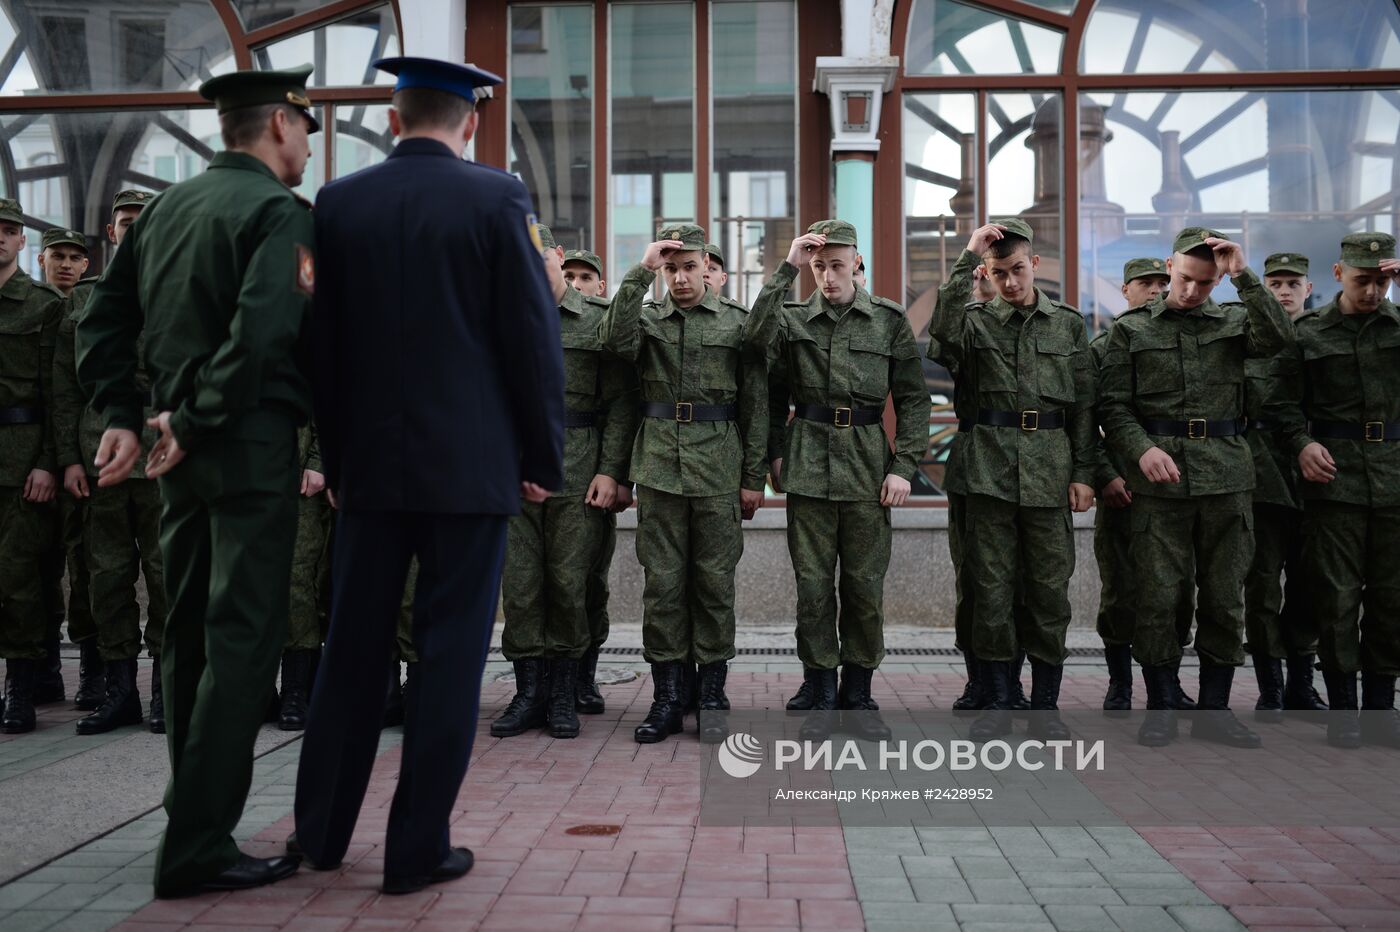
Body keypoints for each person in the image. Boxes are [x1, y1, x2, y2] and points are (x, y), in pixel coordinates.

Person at [291, 56, 564, 896]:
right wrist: (540, 458)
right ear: (471, 120)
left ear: (391, 113)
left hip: (369, 470)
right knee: (448, 659)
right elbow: (529, 335)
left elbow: (322, 350)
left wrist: (334, 461)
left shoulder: (338, 202)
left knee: (352, 651)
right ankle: (416, 851)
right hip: (470, 470)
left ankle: (322, 837)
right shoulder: (496, 197)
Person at [76, 66, 319, 895]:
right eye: (307, 130)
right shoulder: (279, 213)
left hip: (171, 446)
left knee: (183, 634)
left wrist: (121, 411)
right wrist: (201, 416)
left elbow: (103, 317)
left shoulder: (166, 208)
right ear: (281, 124)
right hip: (239, 441)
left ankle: (192, 819)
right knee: (243, 642)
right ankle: (198, 847)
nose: (310, 147)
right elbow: (261, 335)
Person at [1099, 227, 1293, 748]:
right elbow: (1113, 406)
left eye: (1204, 284)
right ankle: (1161, 704)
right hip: (1160, 485)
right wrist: (1141, 448)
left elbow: (1280, 338)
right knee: (1162, 596)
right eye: (1184, 279)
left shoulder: (1234, 322)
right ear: (1169, 268)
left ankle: (1215, 709)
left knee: (1226, 595)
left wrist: (1243, 275)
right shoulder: (1131, 330)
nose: (1191, 292)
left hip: (1226, 479)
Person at [749, 220, 926, 741]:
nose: (828, 276)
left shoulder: (889, 320)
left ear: (858, 263)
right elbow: (757, 352)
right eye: (819, 265)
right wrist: (787, 267)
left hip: (870, 468)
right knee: (813, 588)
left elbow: (914, 400)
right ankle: (822, 691)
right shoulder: (791, 316)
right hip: (807, 464)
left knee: (864, 588)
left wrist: (903, 467)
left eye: (836, 264)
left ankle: (859, 695)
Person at [929, 219, 1096, 741]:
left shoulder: (1068, 325)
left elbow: (1086, 406)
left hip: (1049, 470)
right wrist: (967, 257)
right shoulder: (973, 321)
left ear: (1035, 266)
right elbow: (939, 331)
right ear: (988, 272)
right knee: (991, 589)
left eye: (1018, 270)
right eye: (998, 273)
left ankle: (1045, 705)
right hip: (986, 472)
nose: (1011, 282)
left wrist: (1085, 472)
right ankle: (999, 698)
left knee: (1049, 590)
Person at [601, 222, 767, 745]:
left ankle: (712, 695)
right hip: (659, 470)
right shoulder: (646, 319)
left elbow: (757, 405)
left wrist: (752, 477)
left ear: (708, 268)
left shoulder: (738, 324)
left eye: (688, 267)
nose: (679, 278)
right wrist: (640, 273)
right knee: (664, 588)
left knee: (714, 586)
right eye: (670, 269)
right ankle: (668, 696)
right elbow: (611, 341)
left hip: (718, 469)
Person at [492, 228, 636, 740]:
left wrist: (611, 471)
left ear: (556, 255)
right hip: (512, 470)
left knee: (570, 585)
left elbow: (621, 402)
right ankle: (527, 691)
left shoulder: (598, 321)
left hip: (579, 471)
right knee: (522, 587)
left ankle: (562, 694)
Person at [1270, 233, 1400, 748]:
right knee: (1338, 596)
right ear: (1339, 272)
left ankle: (1381, 708)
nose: (1372, 291)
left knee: (1392, 598)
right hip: (1334, 481)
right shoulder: (1307, 332)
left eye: (1382, 281)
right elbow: (1279, 403)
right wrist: (1301, 443)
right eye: (1363, 279)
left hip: (1395, 479)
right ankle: (1344, 707)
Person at [51, 208, 171, 735]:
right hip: (101, 447)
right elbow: (63, 383)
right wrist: (69, 457)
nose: (134, 225)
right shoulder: (84, 296)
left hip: (164, 447)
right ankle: (120, 692)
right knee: (106, 576)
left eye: (145, 217)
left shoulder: (178, 284)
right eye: (126, 219)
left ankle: (167, 692)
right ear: (112, 230)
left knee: (167, 575)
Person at [1091, 257, 1198, 715]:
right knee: (1121, 591)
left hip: (1173, 492)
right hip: (1123, 491)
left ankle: (1168, 683)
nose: (1155, 290)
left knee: (1176, 590)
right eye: (1144, 283)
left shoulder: (1183, 339)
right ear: (1125, 289)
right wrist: (1105, 476)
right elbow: (1086, 423)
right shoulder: (1102, 347)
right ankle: (1120, 684)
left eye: (1162, 282)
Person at [1247, 252, 1325, 719]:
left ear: (1309, 288)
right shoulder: (1251, 338)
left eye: (1292, 283)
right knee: (1261, 590)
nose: (1283, 291)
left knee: (1310, 587)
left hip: (1317, 480)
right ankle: (1270, 686)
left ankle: (1303, 682)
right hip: (1260, 480)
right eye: (1274, 282)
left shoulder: (1322, 337)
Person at [0, 199, 65, 734]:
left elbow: (56, 392)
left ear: (23, 242)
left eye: (8, 231)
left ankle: (20, 689)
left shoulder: (42, 304)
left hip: (21, 461)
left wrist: (47, 462)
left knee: (19, 577)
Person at [563, 247, 631, 715]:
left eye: (586, 276)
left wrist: (615, 472)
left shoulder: (607, 325)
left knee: (586, 581)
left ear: (600, 286)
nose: (577, 282)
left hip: (588, 467)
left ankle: (582, 678)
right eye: (570, 274)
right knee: (533, 586)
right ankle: (541, 683)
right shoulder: (527, 316)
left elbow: (620, 407)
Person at [36, 228, 94, 711]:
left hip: (77, 455)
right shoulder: (36, 306)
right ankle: (43, 666)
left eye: (76, 258)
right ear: (42, 259)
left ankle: (81, 670)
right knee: (35, 570)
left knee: (80, 561)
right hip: (34, 457)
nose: (67, 266)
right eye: (59, 256)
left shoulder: (93, 306)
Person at [277, 423, 332, 730]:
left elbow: (324, 395)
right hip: (247, 467)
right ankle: (260, 692)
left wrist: (318, 460)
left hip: (297, 471)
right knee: (247, 582)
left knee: (296, 579)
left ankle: (296, 690)